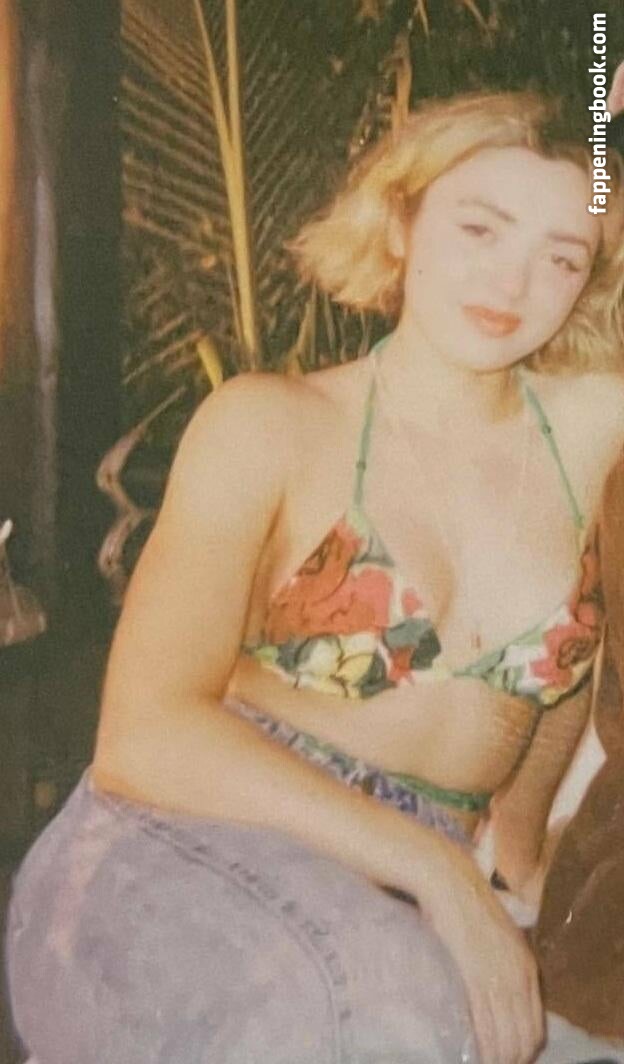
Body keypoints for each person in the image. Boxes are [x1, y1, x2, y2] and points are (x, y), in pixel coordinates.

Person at [5, 89, 624, 1064]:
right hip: (185, 840)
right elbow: (143, 732)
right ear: (402, 222)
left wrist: (520, 860)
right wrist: (440, 873)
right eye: (480, 227)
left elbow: (552, 696)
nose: (513, 280)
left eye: (563, 256)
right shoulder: (271, 423)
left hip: (409, 884)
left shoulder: (592, 433)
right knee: (383, 1008)